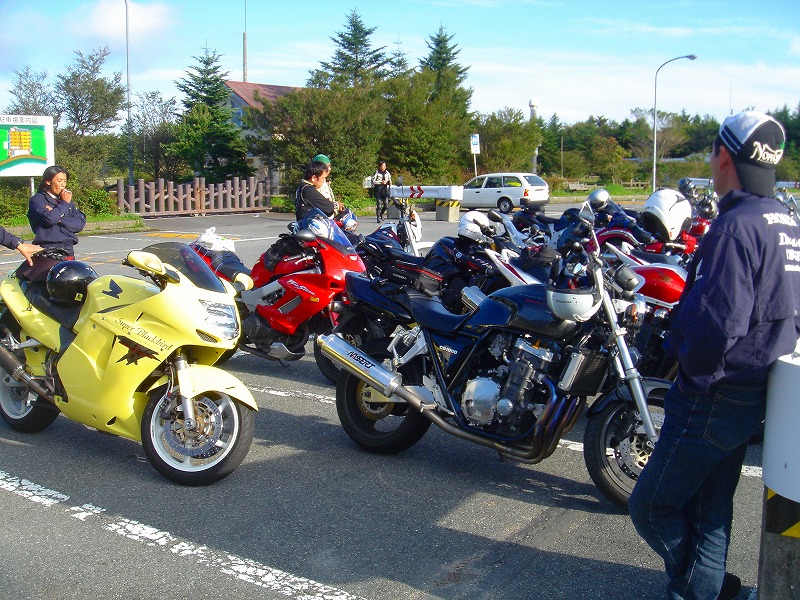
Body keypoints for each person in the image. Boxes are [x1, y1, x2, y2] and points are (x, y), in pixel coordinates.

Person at [628, 111, 800, 600]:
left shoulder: (734, 227)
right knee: (710, 511)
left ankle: (698, 589)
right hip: (754, 389)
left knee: (651, 506)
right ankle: (706, 588)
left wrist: (690, 374)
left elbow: (718, 324)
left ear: (723, 155)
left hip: (713, 392)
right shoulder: (785, 222)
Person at [28, 165, 86, 258]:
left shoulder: (66, 200)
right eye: (59, 181)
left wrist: (60, 220)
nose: (63, 185)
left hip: (68, 248)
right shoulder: (38, 200)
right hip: (48, 249)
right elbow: (50, 219)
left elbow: (79, 224)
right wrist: (64, 204)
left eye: (65, 181)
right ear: (48, 182)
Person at [294, 160, 343, 225]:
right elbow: (327, 207)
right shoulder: (307, 189)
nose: (323, 181)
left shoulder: (303, 187)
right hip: (308, 226)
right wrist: (337, 206)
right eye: (323, 178)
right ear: (314, 178)